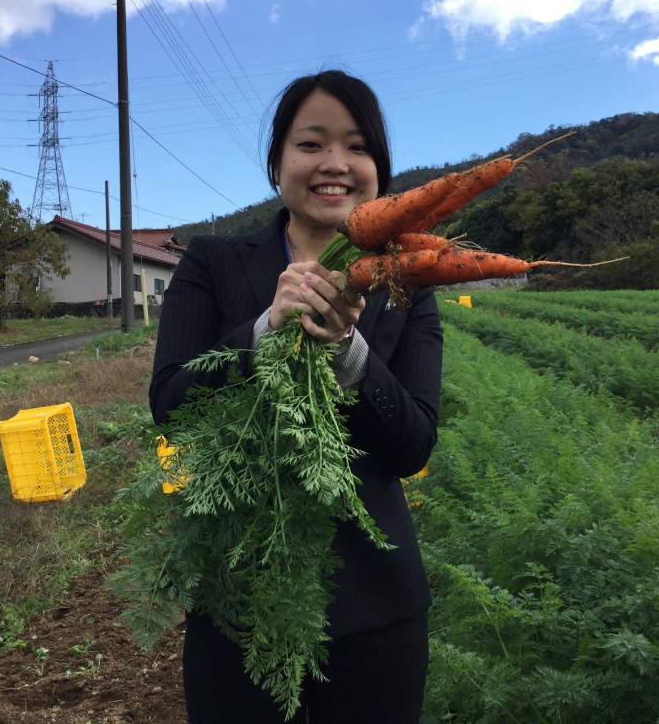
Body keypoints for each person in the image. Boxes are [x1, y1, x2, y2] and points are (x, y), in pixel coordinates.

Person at [149, 69, 443, 723]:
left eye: (358, 146)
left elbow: (414, 442)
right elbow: (172, 403)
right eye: (311, 144)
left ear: (379, 170)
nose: (335, 163)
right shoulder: (212, 262)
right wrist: (266, 329)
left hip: (378, 608)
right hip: (238, 604)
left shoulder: (409, 284)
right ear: (277, 161)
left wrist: (348, 352)